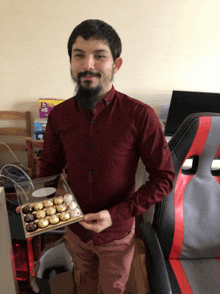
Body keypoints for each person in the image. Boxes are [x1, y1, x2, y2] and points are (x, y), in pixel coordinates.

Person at [38, 19, 175, 294]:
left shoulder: (140, 115)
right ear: (71, 63)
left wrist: (116, 215)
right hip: (75, 231)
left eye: (99, 56)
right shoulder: (59, 116)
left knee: (112, 287)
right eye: (79, 55)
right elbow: (49, 169)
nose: (88, 65)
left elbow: (164, 178)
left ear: (116, 64)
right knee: (84, 282)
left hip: (117, 234)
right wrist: (34, 201)